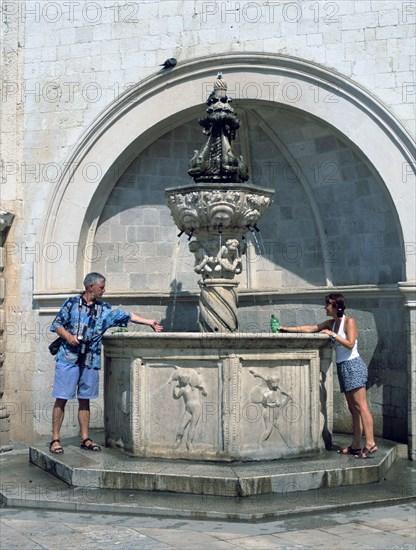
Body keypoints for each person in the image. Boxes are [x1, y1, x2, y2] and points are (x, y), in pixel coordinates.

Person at [49, 272, 163, 454]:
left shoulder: (104, 310)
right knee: (61, 398)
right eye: (101, 287)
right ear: (90, 287)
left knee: (85, 400)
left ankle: (85, 438)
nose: (104, 290)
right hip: (68, 358)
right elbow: (57, 324)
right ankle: (55, 439)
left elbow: (127, 315)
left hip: (90, 360)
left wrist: (149, 322)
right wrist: (68, 337)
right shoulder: (71, 303)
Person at [279, 293, 377, 459]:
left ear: (336, 307)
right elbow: (311, 328)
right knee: (353, 409)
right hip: (343, 367)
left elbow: (350, 343)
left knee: (361, 406)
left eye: (327, 305)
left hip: (354, 366)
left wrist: (333, 335)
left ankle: (370, 443)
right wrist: (286, 329)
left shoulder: (349, 322)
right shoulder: (332, 323)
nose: (325, 307)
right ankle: (355, 445)